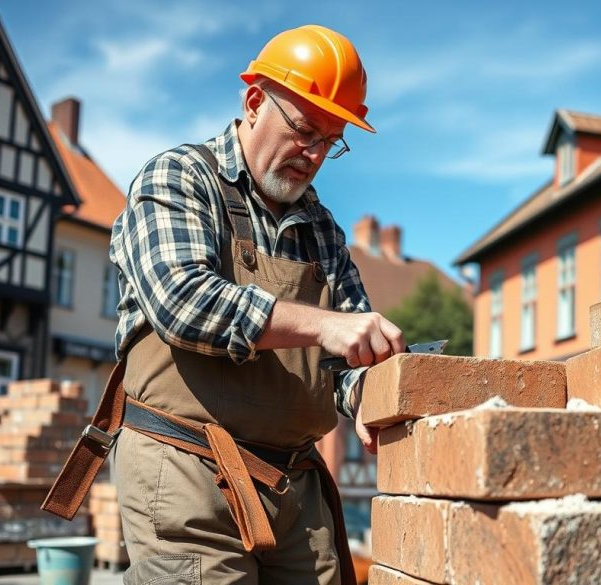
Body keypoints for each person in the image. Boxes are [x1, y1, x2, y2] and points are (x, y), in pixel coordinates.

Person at [43, 25, 402, 585]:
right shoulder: (179, 178)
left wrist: (373, 398)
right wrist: (326, 326)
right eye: (305, 130)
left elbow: (345, 358)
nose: (313, 155)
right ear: (256, 102)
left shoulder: (324, 232)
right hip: (185, 471)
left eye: (330, 140)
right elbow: (184, 302)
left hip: (292, 489)